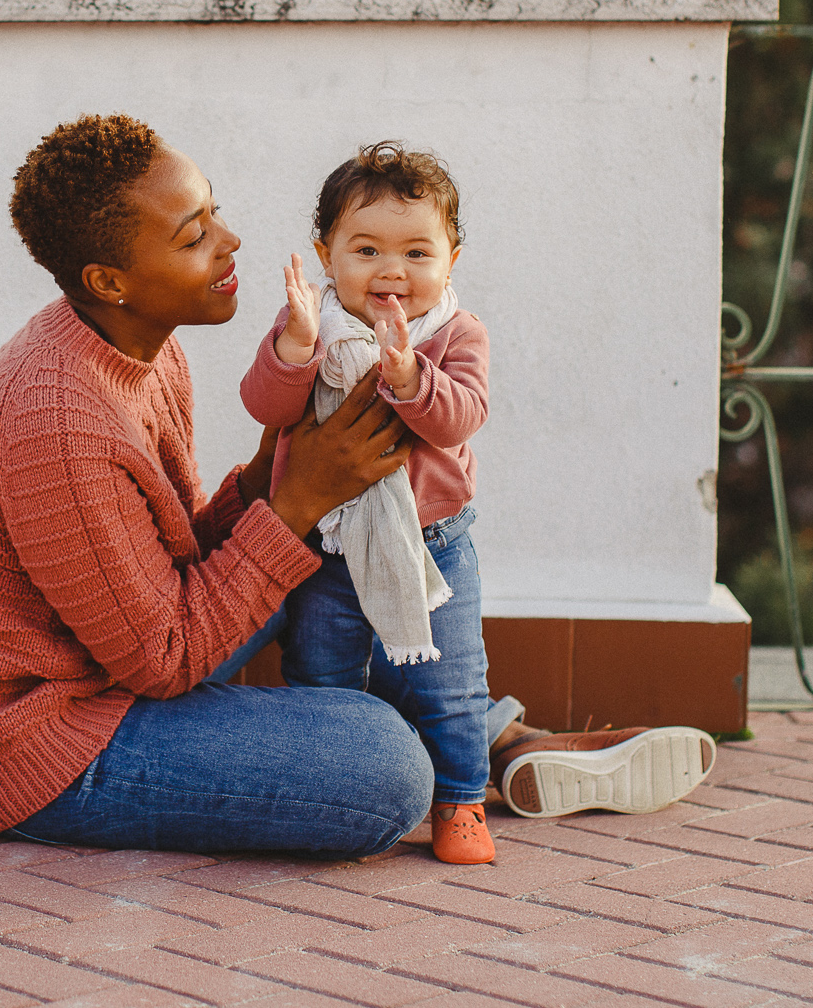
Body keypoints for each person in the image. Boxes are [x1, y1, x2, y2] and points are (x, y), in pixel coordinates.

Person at [0, 114, 713, 859]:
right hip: (26, 740)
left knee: (324, 552)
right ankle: (474, 743)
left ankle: (487, 735)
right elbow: (163, 655)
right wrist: (298, 497)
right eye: (192, 234)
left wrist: (277, 475)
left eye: (213, 211)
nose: (230, 240)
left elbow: (167, 562)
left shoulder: (144, 349)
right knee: (384, 768)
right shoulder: (58, 420)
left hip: (107, 655)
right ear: (111, 279)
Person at [242, 143, 716, 862]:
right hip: (327, 545)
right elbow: (265, 406)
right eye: (366, 249)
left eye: (417, 252)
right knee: (320, 674)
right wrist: (295, 346)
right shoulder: (314, 324)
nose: (392, 271)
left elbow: (460, 416)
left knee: (451, 684)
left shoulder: (455, 334)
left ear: (452, 259)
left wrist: (408, 377)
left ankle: (460, 800)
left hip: (435, 545)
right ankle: (342, 784)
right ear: (324, 253)